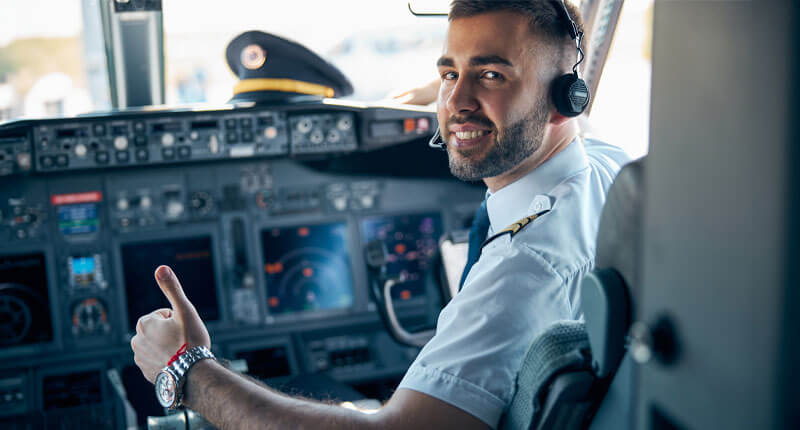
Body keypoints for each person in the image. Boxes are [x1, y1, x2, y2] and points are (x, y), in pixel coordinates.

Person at [131, 1, 630, 428]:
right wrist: (464, 89)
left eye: (492, 75)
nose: (456, 102)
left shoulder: (522, 270)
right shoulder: (611, 171)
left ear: (567, 99)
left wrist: (188, 369)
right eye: (449, 74)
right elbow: (498, 107)